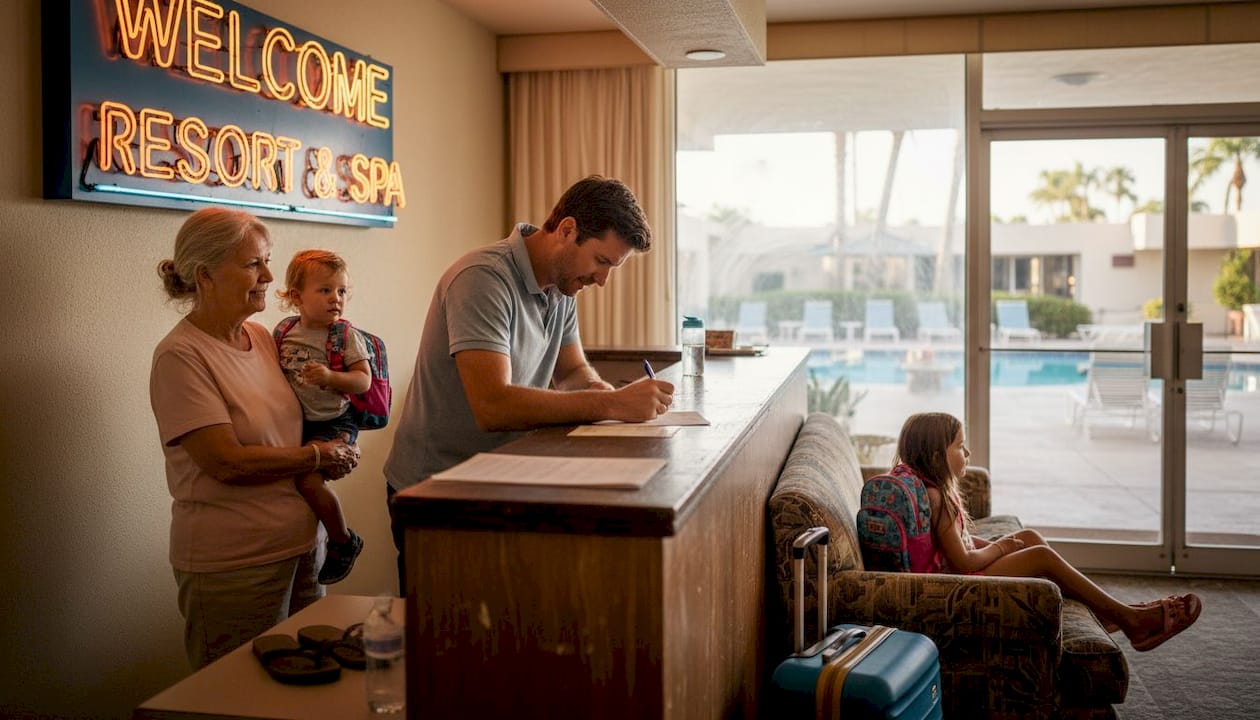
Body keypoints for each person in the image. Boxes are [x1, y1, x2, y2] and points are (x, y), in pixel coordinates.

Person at [383, 175, 675, 588]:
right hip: (438, 490)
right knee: (448, 625)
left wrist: (601, 391)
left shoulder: (562, 285)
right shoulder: (482, 278)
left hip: (504, 477)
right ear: (567, 230)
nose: (602, 280)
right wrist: (611, 404)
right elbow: (492, 405)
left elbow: (572, 372)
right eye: (602, 261)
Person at [150, 207, 360, 669]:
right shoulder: (181, 356)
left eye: (266, 261)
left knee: (305, 692)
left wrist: (339, 446)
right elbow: (226, 462)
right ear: (205, 275)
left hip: (302, 550)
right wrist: (315, 456)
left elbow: (291, 426)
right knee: (238, 696)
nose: (267, 275)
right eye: (252, 264)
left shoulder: (263, 338)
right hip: (235, 565)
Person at [893, 412, 1202, 653]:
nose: (968, 451)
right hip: (957, 584)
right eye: (960, 446)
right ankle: (1132, 621)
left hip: (953, 573)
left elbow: (951, 542)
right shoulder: (937, 499)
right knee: (1040, 556)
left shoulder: (929, 490)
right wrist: (1000, 549)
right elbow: (962, 562)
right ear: (937, 456)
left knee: (1028, 538)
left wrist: (1003, 545)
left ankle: (1104, 613)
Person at [274, 250, 369, 585]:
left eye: (341, 291)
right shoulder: (284, 331)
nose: (336, 299)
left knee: (308, 481)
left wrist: (331, 377)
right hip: (300, 422)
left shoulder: (344, 335)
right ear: (296, 297)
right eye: (325, 290)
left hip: (334, 420)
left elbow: (363, 380)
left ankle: (343, 540)